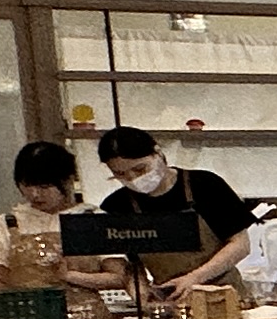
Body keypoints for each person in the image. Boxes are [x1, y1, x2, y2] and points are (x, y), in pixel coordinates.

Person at [96, 126, 257, 298]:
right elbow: (132, 264)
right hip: (170, 299)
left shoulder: (205, 185)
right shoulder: (117, 205)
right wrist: (140, 291)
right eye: (120, 174)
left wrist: (194, 278)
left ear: (158, 153)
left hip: (224, 295)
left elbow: (240, 245)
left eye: (140, 169)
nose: (133, 179)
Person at [0, 141, 127, 292]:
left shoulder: (94, 219)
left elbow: (118, 278)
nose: (35, 194)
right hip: (28, 305)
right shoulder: (5, 223)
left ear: (68, 181)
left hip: (84, 304)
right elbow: (2, 280)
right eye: (27, 186)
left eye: (44, 187)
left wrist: (70, 276)